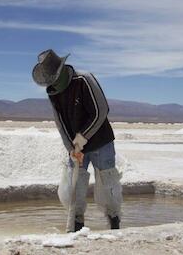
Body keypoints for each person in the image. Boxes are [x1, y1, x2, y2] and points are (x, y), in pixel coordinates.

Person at [32, 49, 122, 231]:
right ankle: (77, 224)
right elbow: (61, 123)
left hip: (101, 142)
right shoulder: (53, 92)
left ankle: (114, 221)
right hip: (78, 147)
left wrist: (80, 140)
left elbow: (100, 111)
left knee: (108, 183)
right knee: (74, 187)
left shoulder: (84, 80)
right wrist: (71, 149)